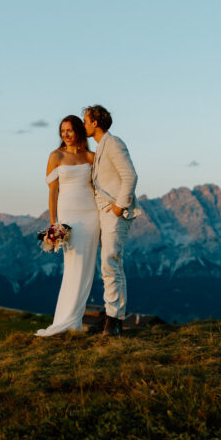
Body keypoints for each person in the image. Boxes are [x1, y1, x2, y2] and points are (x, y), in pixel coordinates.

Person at [35, 115, 101, 337]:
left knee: (86, 269)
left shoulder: (91, 157)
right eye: (62, 130)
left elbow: (101, 184)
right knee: (73, 267)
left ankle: (74, 321)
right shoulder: (55, 156)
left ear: (79, 132)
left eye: (70, 130)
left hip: (91, 215)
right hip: (68, 217)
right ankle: (65, 321)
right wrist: (54, 222)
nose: (66, 134)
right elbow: (53, 191)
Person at [83, 104, 138, 337]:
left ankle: (114, 320)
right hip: (104, 212)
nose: (84, 124)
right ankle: (111, 314)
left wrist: (119, 206)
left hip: (115, 212)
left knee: (110, 261)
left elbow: (130, 175)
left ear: (96, 122)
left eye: (86, 120)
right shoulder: (100, 148)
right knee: (108, 264)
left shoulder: (114, 143)